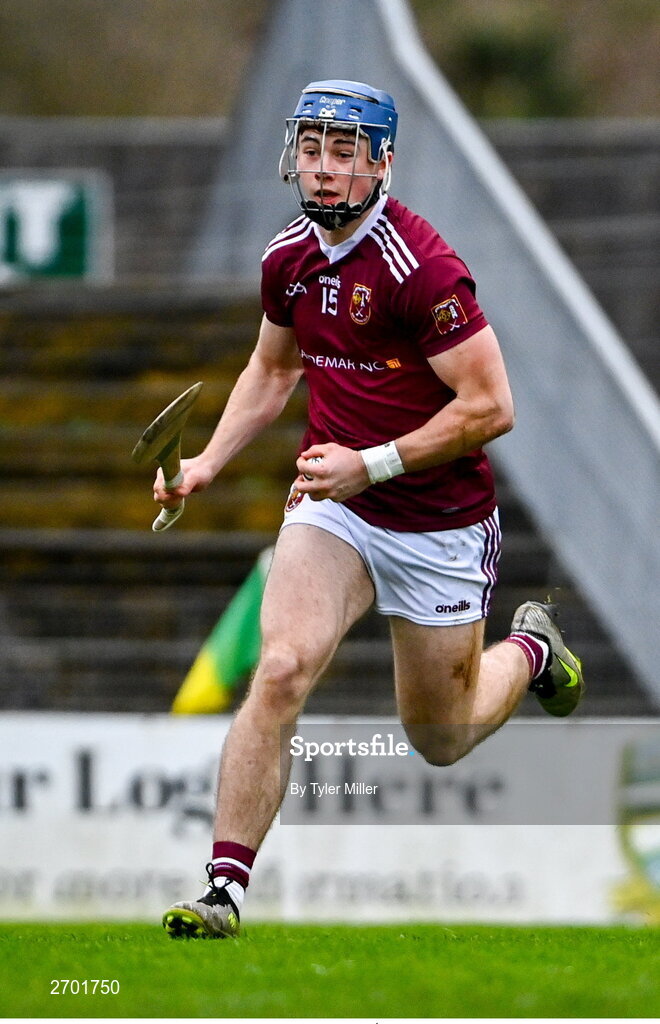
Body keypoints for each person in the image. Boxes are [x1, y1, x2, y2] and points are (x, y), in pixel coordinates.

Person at [156, 80, 584, 938]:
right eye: (312, 148)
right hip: (334, 509)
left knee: (440, 736)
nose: (322, 170)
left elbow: (491, 407)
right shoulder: (289, 258)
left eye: (344, 151)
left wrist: (374, 463)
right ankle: (222, 892)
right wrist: (206, 460)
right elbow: (274, 371)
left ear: (382, 161)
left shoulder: (421, 271)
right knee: (279, 670)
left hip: (437, 522)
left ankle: (533, 648)